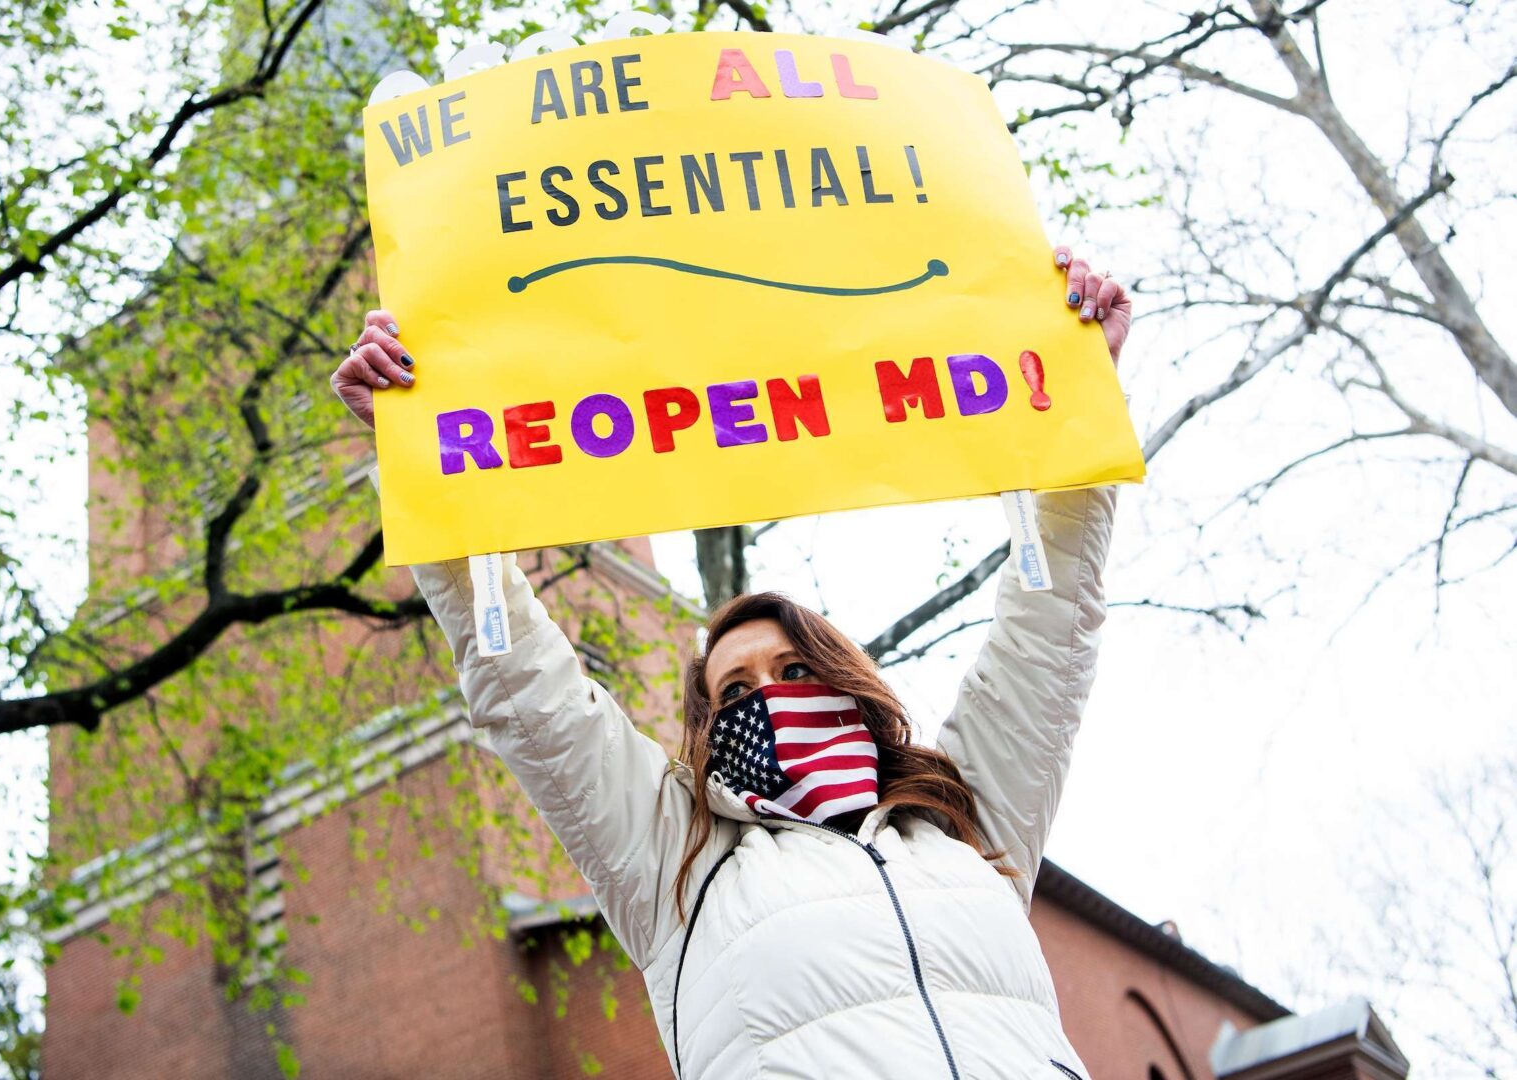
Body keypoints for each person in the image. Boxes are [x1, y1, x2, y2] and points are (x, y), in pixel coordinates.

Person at [331, 247, 1131, 1080]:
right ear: (710, 726)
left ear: (844, 683)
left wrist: (1078, 392)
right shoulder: (676, 860)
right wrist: (417, 452)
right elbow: (528, 691)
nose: (772, 702)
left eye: (793, 673)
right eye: (737, 690)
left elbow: (1051, 628)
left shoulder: (964, 821)